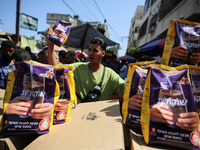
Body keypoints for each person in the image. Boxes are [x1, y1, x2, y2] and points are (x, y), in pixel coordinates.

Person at [46, 28, 126, 103]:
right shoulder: (77, 68)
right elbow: (55, 69)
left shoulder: (110, 75)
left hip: (101, 117)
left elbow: (126, 89)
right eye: (90, 50)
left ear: (103, 54)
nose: (91, 53)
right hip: (78, 115)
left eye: (95, 51)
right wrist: (50, 45)